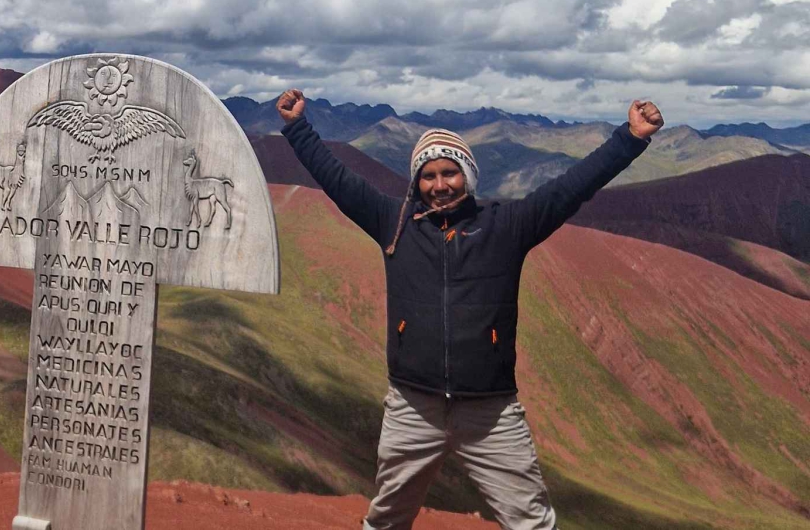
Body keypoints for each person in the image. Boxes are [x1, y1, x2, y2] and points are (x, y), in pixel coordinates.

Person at [275, 89, 663, 530]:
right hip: (412, 407)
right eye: (428, 176)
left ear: (468, 175)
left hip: (490, 412)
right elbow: (337, 179)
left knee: (531, 523)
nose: (439, 185)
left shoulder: (506, 226)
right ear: (416, 182)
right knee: (385, 521)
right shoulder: (395, 223)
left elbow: (573, 187)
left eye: (450, 172)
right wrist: (296, 127)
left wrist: (631, 137)